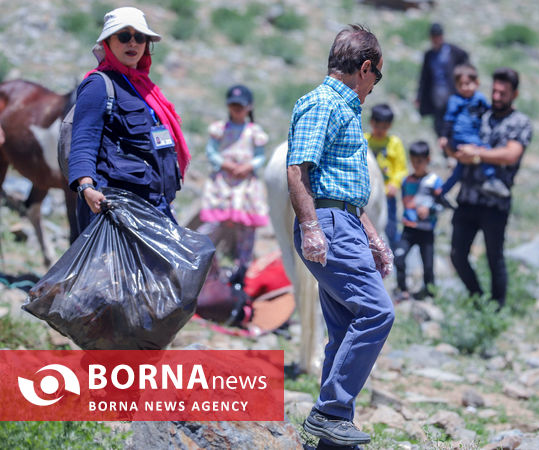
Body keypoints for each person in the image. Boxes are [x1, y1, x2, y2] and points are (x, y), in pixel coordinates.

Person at [286, 24, 395, 448]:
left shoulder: (345, 109)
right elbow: (298, 169)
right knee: (377, 313)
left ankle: (333, 427)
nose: (375, 87)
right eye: (377, 77)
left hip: (346, 223)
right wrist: (312, 228)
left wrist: (373, 236)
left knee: (348, 324)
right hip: (330, 226)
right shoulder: (322, 104)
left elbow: (343, 187)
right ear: (365, 68)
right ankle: (329, 412)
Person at [69, 7, 190, 233]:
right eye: (124, 36)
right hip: (116, 207)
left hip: (154, 204)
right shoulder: (98, 85)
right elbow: (83, 140)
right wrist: (86, 187)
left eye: (139, 37)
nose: (132, 43)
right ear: (108, 42)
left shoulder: (146, 88)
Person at [449, 67, 533, 308]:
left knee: (494, 258)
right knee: (457, 255)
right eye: (494, 91)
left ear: (514, 94)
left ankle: (496, 308)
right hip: (467, 198)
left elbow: (510, 155)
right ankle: (478, 301)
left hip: (495, 203)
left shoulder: (520, 123)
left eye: (502, 93)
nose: (496, 97)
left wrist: (477, 154)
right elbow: (460, 139)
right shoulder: (480, 114)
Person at [197, 84, 269, 278]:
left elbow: (260, 156)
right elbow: (211, 151)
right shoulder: (220, 129)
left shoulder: (254, 132)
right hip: (223, 184)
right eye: (233, 104)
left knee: (247, 229)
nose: (237, 108)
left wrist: (250, 166)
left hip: (245, 185)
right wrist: (224, 163)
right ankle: (207, 264)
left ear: (249, 107)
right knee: (213, 224)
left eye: (241, 105)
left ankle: (242, 269)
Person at [440, 64, 510, 198]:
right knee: (485, 149)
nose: (465, 88)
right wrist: (444, 136)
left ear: (476, 83)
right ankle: (491, 179)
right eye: (461, 85)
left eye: (468, 84)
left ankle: (441, 192)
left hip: (471, 135)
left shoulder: (479, 98)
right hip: (462, 135)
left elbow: (489, 110)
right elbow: (448, 119)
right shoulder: (455, 100)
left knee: (459, 169)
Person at [394, 141, 443, 302]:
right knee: (399, 257)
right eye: (413, 161)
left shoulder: (434, 181)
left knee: (428, 265)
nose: (416, 164)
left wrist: (430, 209)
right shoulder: (406, 181)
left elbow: (443, 204)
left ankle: (430, 293)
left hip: (426, 230)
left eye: (420, 161)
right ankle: (403, 289)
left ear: (428, 160)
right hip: (409, 229)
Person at [415, 23, 469, 140]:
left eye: (438, 36)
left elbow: (465, 62)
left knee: (454, 123)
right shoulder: (429, 55)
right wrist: (419, 96)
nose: (436, 39)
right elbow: (424, 77)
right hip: (436, 96)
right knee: (439, 125)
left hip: (452, 93)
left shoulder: (454, 51)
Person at [364, 103, 408, 245]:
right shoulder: (364, 140)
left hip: (387, 194)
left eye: (385, 127)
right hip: (367, 194)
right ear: (372, 123)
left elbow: (401, 168)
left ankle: (392, 254)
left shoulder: (394, 143)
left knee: (389, 226)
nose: (381, 131)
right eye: (378, 126)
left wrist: (395, 184)